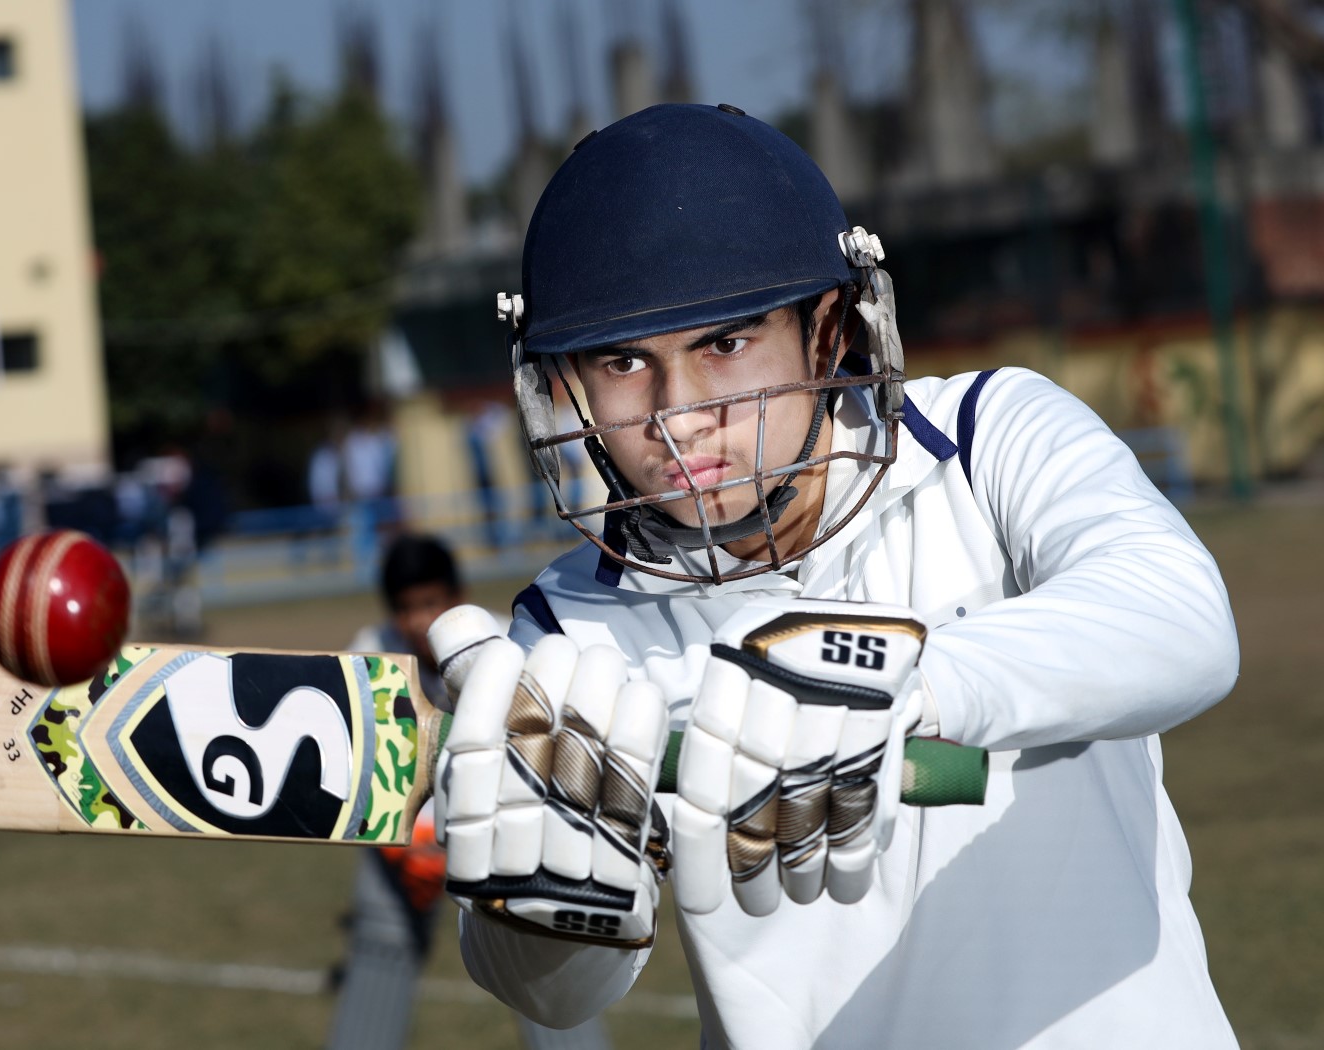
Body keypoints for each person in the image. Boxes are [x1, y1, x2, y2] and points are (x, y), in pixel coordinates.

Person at [427, 104, 1238, 1048]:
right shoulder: (570, 631)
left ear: (827, 330)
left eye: (722, 345)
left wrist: (899, 682)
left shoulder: (985, 439)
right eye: (621, 362)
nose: (678, 419)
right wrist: (541, 905)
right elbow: (557, 1001)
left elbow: (1182, 619)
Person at [331, 535, 611, 1050]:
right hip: (408, 841)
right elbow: (361, 774)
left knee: (540, 937)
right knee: (381, 933)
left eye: (431, 604)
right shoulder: (373, 654)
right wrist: (407, 848)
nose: (419, 622)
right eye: (406, 609)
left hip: (505, 830)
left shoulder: (506, 643)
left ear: (458, 595)